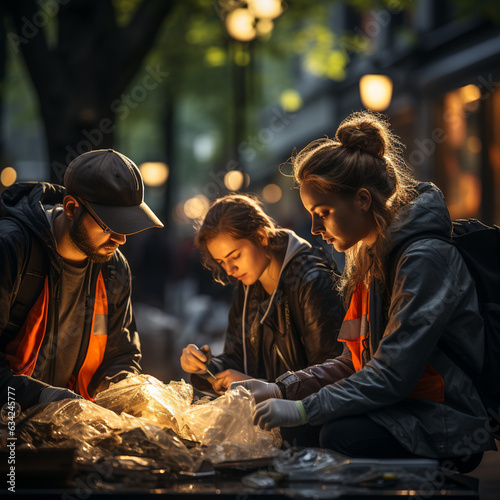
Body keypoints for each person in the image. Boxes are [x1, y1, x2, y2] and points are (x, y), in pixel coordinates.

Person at [235, 112, 496, 472]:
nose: (313, 228)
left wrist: (302, 408)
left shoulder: (424, 259)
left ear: (361, 199)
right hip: (403, 408)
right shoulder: (370, 255)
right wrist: (283, 389)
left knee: (337, 434)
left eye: (323, 212)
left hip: (446, 421)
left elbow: (392, 374)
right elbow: (352, 362)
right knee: (303, 430)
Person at [0, 149, 163, 412]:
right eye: (111, 225)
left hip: (74, 430)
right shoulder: (11, 249)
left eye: (127, 226)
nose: (120, 239)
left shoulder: (114, 268)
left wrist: (125, 391)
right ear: (72, 208)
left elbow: (121, 355)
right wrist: (44, 398)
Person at [180, 194, 344, 395]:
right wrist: (206, 367)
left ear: (261, 237)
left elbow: (332, 377)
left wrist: (265, 388)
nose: (230, 270)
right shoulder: (247, 285)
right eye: (221, 262)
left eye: (235, 256)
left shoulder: (312, 280)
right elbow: (237, 359)